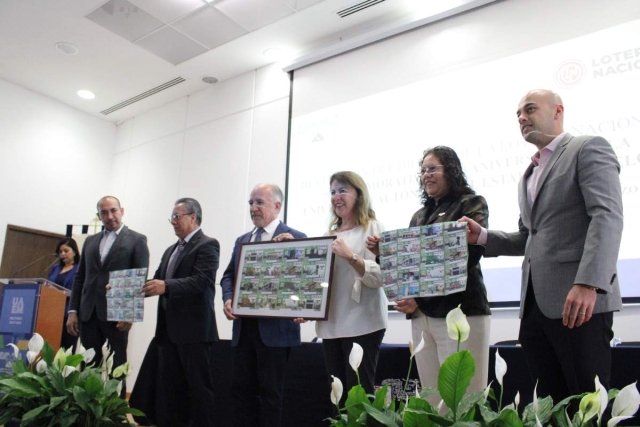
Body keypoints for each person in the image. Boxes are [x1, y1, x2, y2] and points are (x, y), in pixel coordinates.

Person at [460, 89, 623, 402]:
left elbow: (607, 217)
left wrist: (588, 283)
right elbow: (530, 237)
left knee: (587, 404)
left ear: (558, 111)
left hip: (580, 304)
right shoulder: (529, 173)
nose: (522, 118)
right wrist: (483, 236)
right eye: (518, 114)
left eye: (530, 109)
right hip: (535, 308)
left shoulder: (587, 148)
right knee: (549, 406)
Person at [368, 146, 491, 402]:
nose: (426, 175)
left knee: (463, 402)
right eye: (423, 170)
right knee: (432, 401)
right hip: (421, 316)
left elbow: (467, 257)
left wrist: (418, 296)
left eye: (433, 168)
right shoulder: (419, 215)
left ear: (452, 170)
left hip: (460, 312)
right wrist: (384, 253)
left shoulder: (470, 204)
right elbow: (409, 264)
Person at [221, 184, 306, 427]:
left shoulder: (296, 237)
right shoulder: (242, 241)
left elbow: (305, 281)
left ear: (277, 206)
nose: (253, 208)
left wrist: (294, 251)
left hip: (276, 332)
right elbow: (228, 276)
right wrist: (228, 298)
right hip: (244, 329)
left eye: (259, 202)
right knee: (240, 392)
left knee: (271, 395)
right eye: (250, 203)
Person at [297, 171, 387, 400]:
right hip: (331, 326)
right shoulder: (328, 235)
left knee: (360, 395)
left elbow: (380, 278)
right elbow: (320, 283)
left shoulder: (373, 228)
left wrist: (351, 256)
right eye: (333, 192)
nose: (336, 196)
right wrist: (307, 309)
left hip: (364, 323)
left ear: (359, 194)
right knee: (337, 396)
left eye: (343, 190)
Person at [141, 197, 220, 427]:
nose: (173, 222)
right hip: (168, 332)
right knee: (172, 390)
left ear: (193, 217)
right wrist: (124, 288)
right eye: (171, 218)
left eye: (177, 216)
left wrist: (166, 286)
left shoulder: (207, 244)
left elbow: (202, 281)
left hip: (194, 332)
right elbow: (156, 280)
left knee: (198, 389)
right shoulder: (170, 250)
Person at [67, 196, 149, 370]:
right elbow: (80, 277)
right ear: (99, 216)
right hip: (88, 313)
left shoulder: (137, 240)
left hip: (117, 314)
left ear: (122, 211)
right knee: (88, 367)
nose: (110, 216)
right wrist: (73, 310)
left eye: (113, 210)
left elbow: (139, 279)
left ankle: (116, 398)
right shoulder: (90, 241)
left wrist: (130, 314)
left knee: (116, 368)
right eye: (104, 213)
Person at [48, 237, 80, 350]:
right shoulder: (55, 268)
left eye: (66, 251)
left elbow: (81, 291)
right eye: (60, 252)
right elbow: (47, 285)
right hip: (51, 314)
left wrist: (63, 293)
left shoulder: (80, 269)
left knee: (66, 349)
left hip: (68, 315)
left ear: (74, 252)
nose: (62, 254)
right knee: (50, 348)